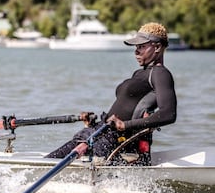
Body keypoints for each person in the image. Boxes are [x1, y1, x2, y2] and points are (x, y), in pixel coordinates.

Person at [46, 22, 177, 165]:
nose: (136, 51)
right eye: (136, 47)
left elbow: (168, 114)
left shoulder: (160, 74)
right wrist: (92, 124)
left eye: (141, 47)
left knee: (53, 162)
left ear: (157, 47)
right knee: (50, 160)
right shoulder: (139, 73)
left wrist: (124, 125)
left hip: (119, 142)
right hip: (102, 133)